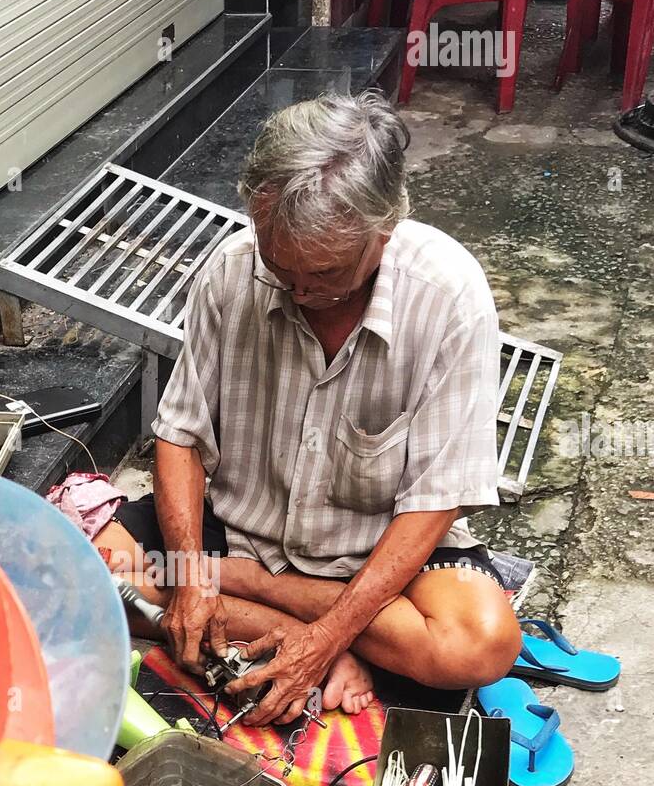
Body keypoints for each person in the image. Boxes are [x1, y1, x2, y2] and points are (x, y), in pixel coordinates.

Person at [95, 91, 521, 726]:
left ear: (385, 230)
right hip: (241, 526)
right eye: (279, 264)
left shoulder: (447, 296)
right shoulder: (233, 271)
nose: (297, 289)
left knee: (481, 643)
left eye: (323, 273)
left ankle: (258, 599)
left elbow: (438, 500)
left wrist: (321, 637)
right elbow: (178, 435)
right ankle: (288, 622)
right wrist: (190, 576)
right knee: (87, 574)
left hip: (377, 558)